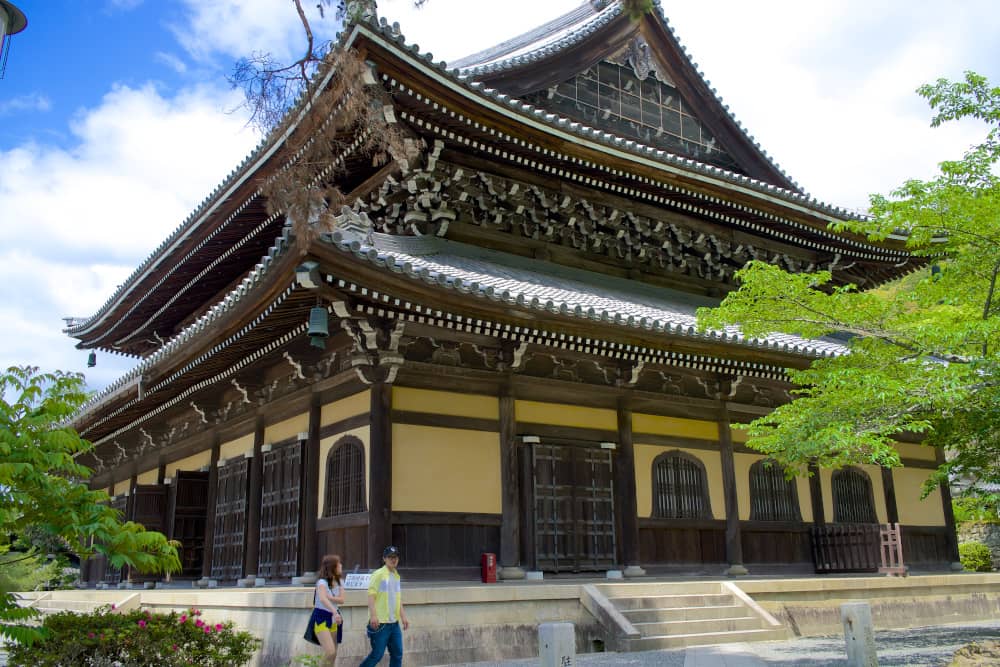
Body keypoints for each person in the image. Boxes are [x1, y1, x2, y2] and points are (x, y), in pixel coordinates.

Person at [359, 545, 409, 667]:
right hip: (381, 623)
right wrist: (373, 616)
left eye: (395, 557)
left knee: (397, 654)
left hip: (394, 623)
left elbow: (398, 599)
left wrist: (403, 617)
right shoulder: (378, 574)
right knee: (377, 655)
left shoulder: (396, 576)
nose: (393, 560)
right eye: (390, 557)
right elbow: (371, 595)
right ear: (384, 559)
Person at [310, 554, 345, 667]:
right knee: (330, 652)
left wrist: (330, 598)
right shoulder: (322, 582)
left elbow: (342, 600)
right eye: (338, 564)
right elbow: (322, 599)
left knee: (334, 655)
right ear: (333, 567)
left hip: (335, 618)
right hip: (321, 617)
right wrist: (334, 611)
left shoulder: (340, 582)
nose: (341, 565)